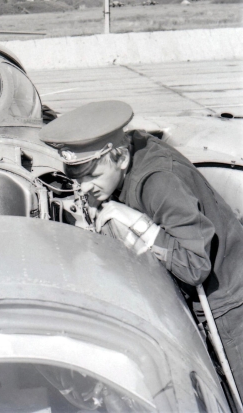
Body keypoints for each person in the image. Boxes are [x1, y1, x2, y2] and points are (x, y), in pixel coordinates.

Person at [39, 100, 243, 398]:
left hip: (227, 305)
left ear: (120, 157)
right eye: (78, 179)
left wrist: (137, 223)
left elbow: (195, 267)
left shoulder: (158, 180)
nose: (84, 188)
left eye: (93, 177)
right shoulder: (129, 150)